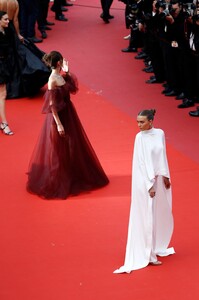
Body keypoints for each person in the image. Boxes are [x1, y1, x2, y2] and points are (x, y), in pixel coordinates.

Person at [26, 51, 109, 199]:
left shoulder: (59, 76)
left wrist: (68, 71)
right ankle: (59, 178)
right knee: (59, 147)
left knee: (72, 143)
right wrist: (58, 125)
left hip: (68, 113)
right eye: (62, 60)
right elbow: (51, 106)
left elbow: (72, 88)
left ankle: (72, 172)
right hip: (59, 117)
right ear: (58, 63)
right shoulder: (52, 79)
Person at [114, 109, 175, 274]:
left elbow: (163, 156)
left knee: (160, 212)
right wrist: (149, 185)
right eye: (137, 122)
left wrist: (166, 176)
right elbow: (141, 162)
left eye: (142, 122)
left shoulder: (160, 133)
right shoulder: (139, 138)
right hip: (144, 182)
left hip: (159, 178)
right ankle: (148, 256)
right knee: (147, 216)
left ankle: (155, 246)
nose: (139, 125)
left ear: (151, 121)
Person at [0, 11, 14, 135]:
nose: (8, 21)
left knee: (2, 94)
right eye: (5, 19)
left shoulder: (7, 31)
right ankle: (4, 123)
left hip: (3, 64)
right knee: (2, 94)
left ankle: (3, 122)